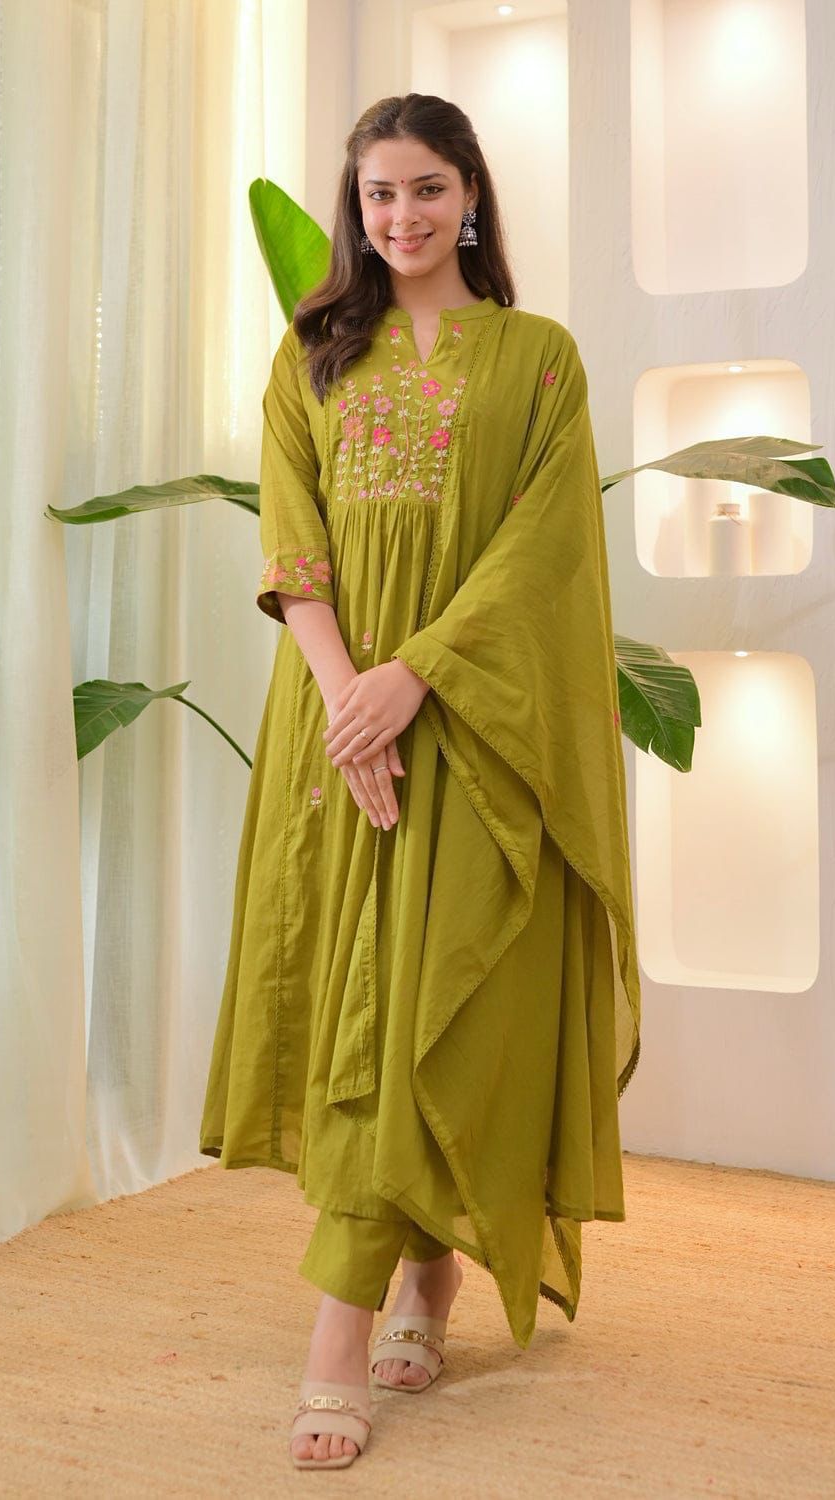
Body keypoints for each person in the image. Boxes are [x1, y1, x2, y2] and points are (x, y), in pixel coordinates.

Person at [198, 92, 642, 1470]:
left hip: (471, 720)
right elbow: (293, 543)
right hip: (339, 733)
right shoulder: (313, 356)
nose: (403, 216)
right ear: (357, 206)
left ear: (473, 197)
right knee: (361, 1006)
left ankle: (355, 1325)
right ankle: (412, 1275)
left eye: (428, 189)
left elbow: (541, 551)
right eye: (380, 194)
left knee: (437, 998)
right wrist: (351, 698)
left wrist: (419, 674)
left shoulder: (539, 359)